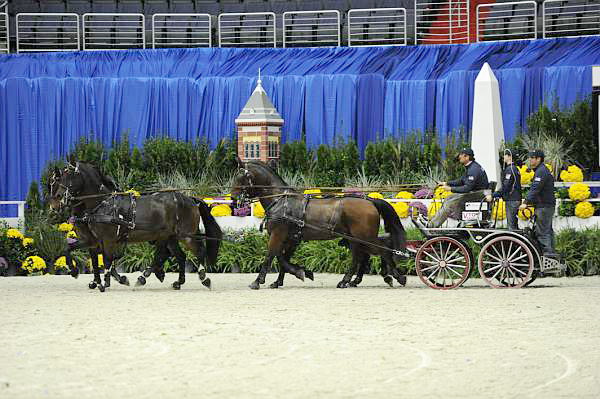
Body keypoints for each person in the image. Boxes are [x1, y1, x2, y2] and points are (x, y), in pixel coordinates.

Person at [428, 148, 489, 228]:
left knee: (450, 203)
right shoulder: (471, 167)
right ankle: (433, 221)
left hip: (478, 195)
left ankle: (431, 226)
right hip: (476, 193)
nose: (459, 157)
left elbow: (467, 188)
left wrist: (450, 189)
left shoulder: (473, 170)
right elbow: (461, 181)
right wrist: (445, 183)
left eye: (461, 155)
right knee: (449, 198)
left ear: (467, 157)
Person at [519, 150, 557, 256]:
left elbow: (535, 189)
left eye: (532, 157)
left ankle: (548, 255)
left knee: (542, 232)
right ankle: (551, 256)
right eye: (530, 157)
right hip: (545, 205)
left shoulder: (541, 171)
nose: (530, 160)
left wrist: (525, 202)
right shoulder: (540, 170)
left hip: (544, 206)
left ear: (539, 159)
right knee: (547, 230)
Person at [486, 149, 521, 230]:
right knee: (513, 225)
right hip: (514, 199)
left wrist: (493, 195)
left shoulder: (510, 169)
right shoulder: (514, 168)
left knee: (511, 226)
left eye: (505, 155)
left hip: (512, 200)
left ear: (509, 157)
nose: (503, 157)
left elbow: (506, 187)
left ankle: (514, 241)